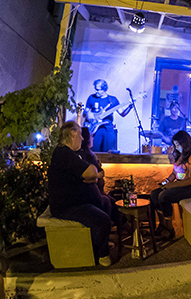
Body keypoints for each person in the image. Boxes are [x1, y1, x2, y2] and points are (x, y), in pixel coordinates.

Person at [48, 121, 113, 266]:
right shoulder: (64, 153)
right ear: (72, 134)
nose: (83, 138)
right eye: (80, 134)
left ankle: (100, 243)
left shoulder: (71, 153)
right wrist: (91, 173)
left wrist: (90, 176)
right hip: (68, 207)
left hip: (78, 202)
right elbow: (92, 172)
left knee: (106, 204)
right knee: (102, 220)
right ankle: (102, 255)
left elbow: (91, 175)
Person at [151, 130, 191, 234]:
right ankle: (162, 224)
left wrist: (171, 185)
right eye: (175, 145)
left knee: (164, 196)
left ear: (185, 144)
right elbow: (174, 173)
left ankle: (169, 228)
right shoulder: (181, 156)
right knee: (154, 194)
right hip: (181, 183)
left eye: (178, 145)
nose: (176, 148)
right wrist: (166, 182)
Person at [85, 79, 134, 152]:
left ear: (104, 89)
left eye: (98, 90)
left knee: (109, 151)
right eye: (95, 89)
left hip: (108, 128)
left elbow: (122, 114)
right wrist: (92, 118)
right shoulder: (91, 98)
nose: (96, 91)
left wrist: (129, 107)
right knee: (95, 150)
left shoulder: (112, 100)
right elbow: (87, 112)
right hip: (96, 129)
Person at [77, 126, 106, 193]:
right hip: (93, 191)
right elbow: (100, 172)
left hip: (96, 190)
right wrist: (94, 176)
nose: (93, 138)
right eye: (91, 136)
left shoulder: (89, 154)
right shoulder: (86, 155)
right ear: (87, 139)